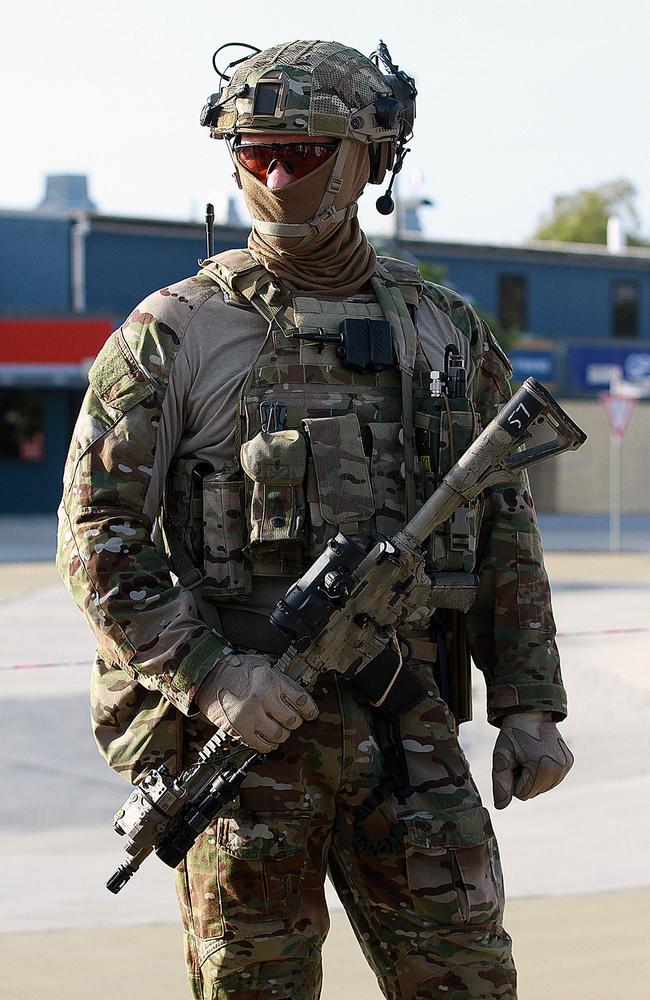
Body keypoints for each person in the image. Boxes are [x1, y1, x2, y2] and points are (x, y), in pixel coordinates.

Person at [57, 39, 574, 1000]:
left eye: (303, 151)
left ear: (372, 156)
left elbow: (503, 517)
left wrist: (528, 703)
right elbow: (96, 540)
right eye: (255, 155)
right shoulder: (173, 334)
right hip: (251, 740)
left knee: (469, 983)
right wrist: (213, 677)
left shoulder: (444, 328)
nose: (278, 176)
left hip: (407, 729)